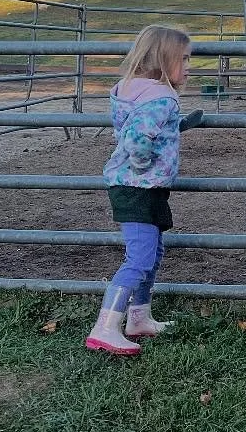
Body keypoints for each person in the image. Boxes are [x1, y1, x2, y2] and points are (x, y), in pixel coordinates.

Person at [86, 24, 201, 356]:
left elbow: (141, 124)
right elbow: (138, 137)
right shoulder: (161, 97)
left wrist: (178, 125)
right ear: (164, 61)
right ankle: (106, 327)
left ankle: (139, 317)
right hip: (139, 185)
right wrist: (140, 162)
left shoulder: (131, 90)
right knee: (138, 258)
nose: (189, 67)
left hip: (140, 187)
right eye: (184, 59)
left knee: (152, 254)